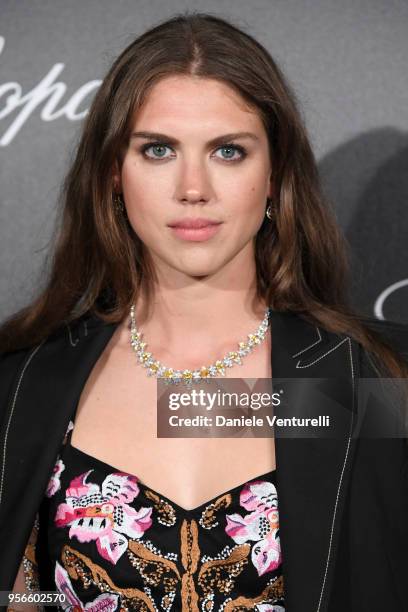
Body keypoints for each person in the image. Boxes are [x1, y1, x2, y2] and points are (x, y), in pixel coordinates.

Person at [0, 11, 407, 612]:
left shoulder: (375, 380)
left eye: (228, 151)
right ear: (114, 172)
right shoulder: (24, 382)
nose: (194, 187)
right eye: (158, 149)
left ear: (274, 175)